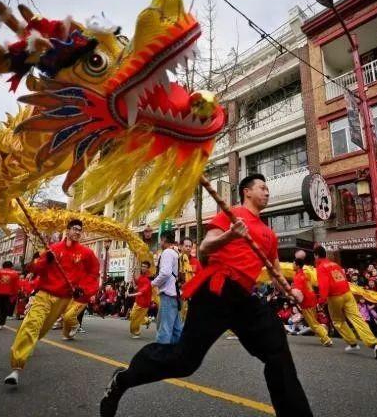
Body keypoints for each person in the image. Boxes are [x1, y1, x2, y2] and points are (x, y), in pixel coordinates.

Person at [100, 174, 313, 417]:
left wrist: (290, 289)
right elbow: (204, 248)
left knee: (278, 350)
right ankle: (123, 380)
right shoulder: (231, 215)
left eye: (267, 189)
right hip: (216, 289)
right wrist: (230, 235)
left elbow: (275, 272)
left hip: (244, 297)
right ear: (247, 192)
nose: (267, 192)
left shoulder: (268, 234)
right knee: (184, 361)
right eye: (262, 188)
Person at [4, 219, 100, 386]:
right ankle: (17, 367)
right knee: (32, 324)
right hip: (44, 295)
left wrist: (82, 289)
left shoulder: (86, 253)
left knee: (42, 329)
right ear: (68, 230)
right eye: (75, 229)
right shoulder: (53, 249)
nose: (78, 232)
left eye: (80, 230)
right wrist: (42, 261)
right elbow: (36, 269)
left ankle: (31, 343)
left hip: (63, 299)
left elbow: (93, 273)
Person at [315, 245, 377, 359]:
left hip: (335, 297)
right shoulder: (335, 264)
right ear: (325, 254)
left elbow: (324, 286)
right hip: (347, 293)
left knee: (338, 321)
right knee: (357, 319)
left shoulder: (321, 267)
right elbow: (344, 279)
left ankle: (352, 343)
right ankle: (374, 344)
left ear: (316, 255)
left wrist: (321, 301)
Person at [292, 249, 332, 346]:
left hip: (307, 302)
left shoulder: (298, 277)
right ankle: (324, 336)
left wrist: (293, 297)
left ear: (297, 266)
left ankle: (326, 338)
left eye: (293, 264)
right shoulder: (305, 273)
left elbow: (298, 293)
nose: (292, 265)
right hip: (312, 299)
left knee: (313, 323)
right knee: (314, 321)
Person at [152, 230, 183, 344]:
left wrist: (153, 283)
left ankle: (160, 356)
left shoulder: (167, 253)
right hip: (174, 294)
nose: (160, 243)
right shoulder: (175, 253)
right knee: (176, 329)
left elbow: (165, 273)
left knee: (164, 328)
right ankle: (177, 355)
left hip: (168, 294)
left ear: (164, 239)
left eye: (161, 240)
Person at [127, 261, 153, 338]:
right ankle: (147, 321)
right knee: (132, 316)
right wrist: (133, 278)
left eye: (145, 267)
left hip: (144, 303)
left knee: (136, 319)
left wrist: (130, 295)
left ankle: (136, 332)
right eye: (142, 266)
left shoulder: (148, 280)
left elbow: (141, 292)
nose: (143, 268)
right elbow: (136, 287)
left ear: (148, 268)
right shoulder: (141, 277)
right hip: (137, 301)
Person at [179, 237, 201, 321]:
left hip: (192, 295)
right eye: (186, 246)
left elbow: (200, 277)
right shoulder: (176, 259)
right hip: (178, 295)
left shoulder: (196, 262)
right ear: (181, 246)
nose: (188, 248)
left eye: (190, 246)